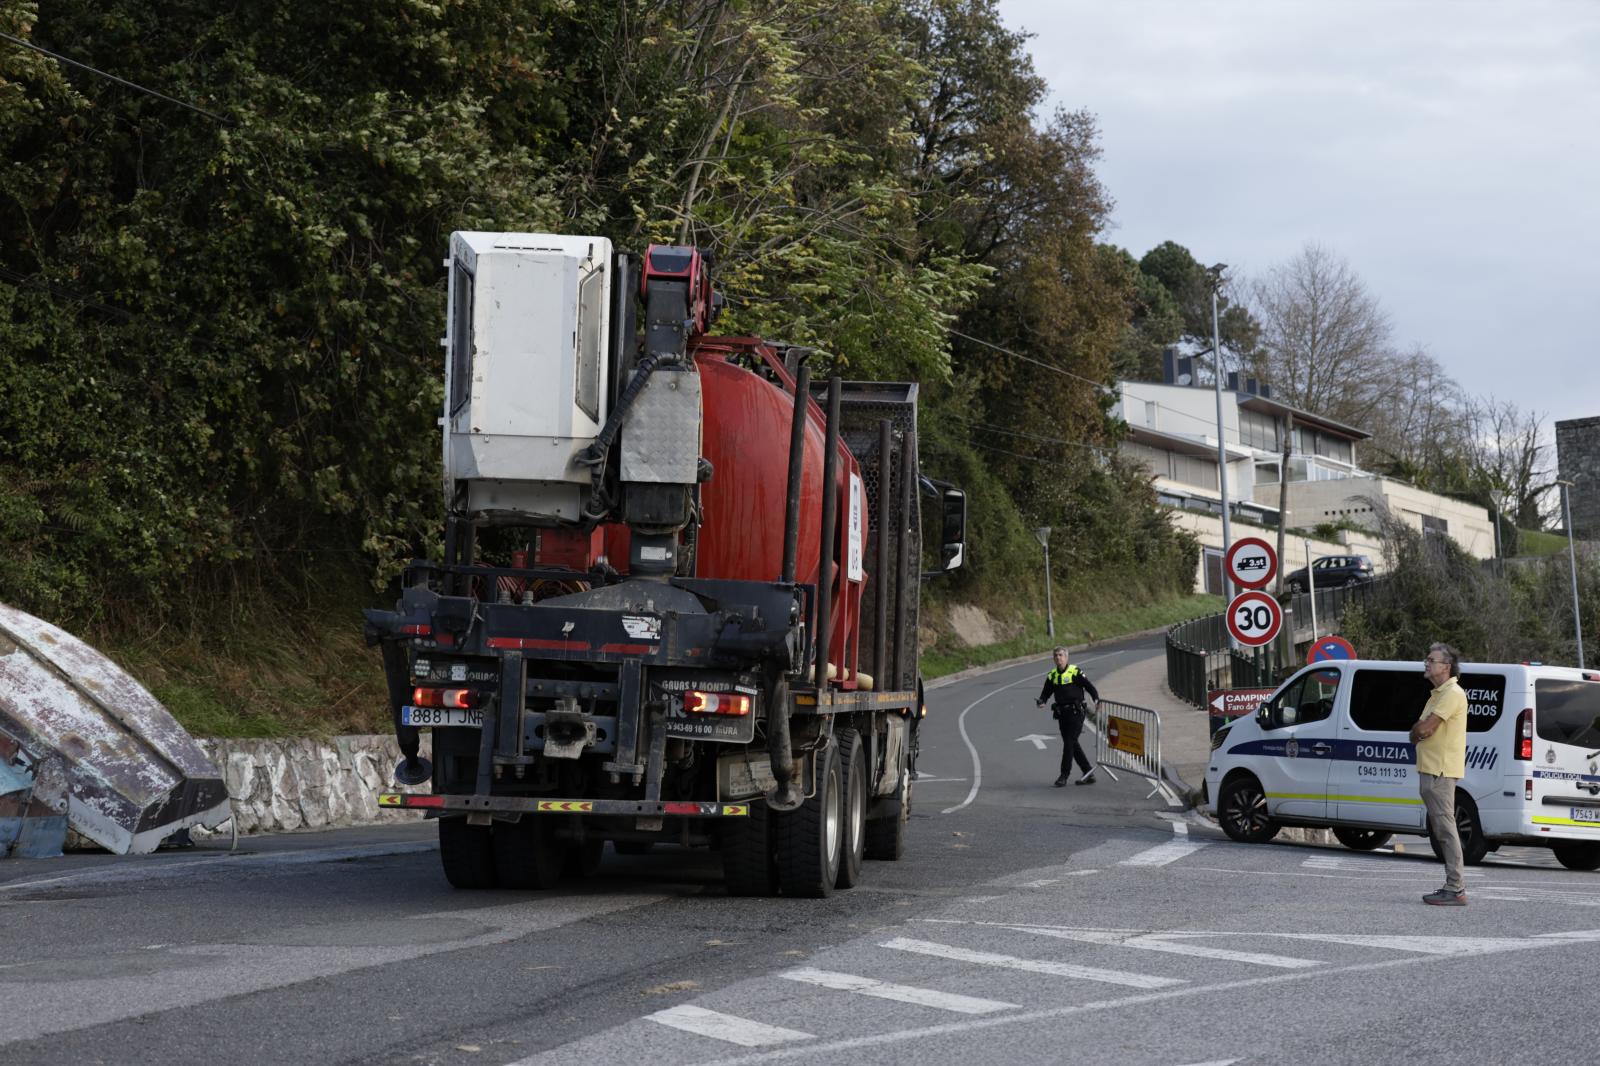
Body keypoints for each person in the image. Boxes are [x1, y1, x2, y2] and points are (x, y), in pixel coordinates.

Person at [1411, 642, 1469, 906]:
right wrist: (1417, 730)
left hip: (1440, 771)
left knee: (1446, 828)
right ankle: (1453, 886)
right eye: (1427, 659)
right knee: (1443, 828)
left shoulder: (1451, 694)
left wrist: (1417, 729)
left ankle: (1456, 888)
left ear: (1446, 667)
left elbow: (1424, 730)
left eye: (1431, 660)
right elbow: (1419, 731)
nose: (1427, 663)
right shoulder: (1437, 694)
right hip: (1431, 769)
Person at [1036, 646, 1100, 787]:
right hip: (1062, 714)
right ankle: (1088, 772)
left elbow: (1089, 687)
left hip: (1076, 713)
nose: (1058, 658)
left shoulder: (1074, 672)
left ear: (1066, 657)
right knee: (1072, 744)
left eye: (1060, 655)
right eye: (1056, 655)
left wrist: (1096, 699)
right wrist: (1042, 701)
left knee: (1069, 743)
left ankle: (1064, 775)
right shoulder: (1052, 675)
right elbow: (1046, 692)